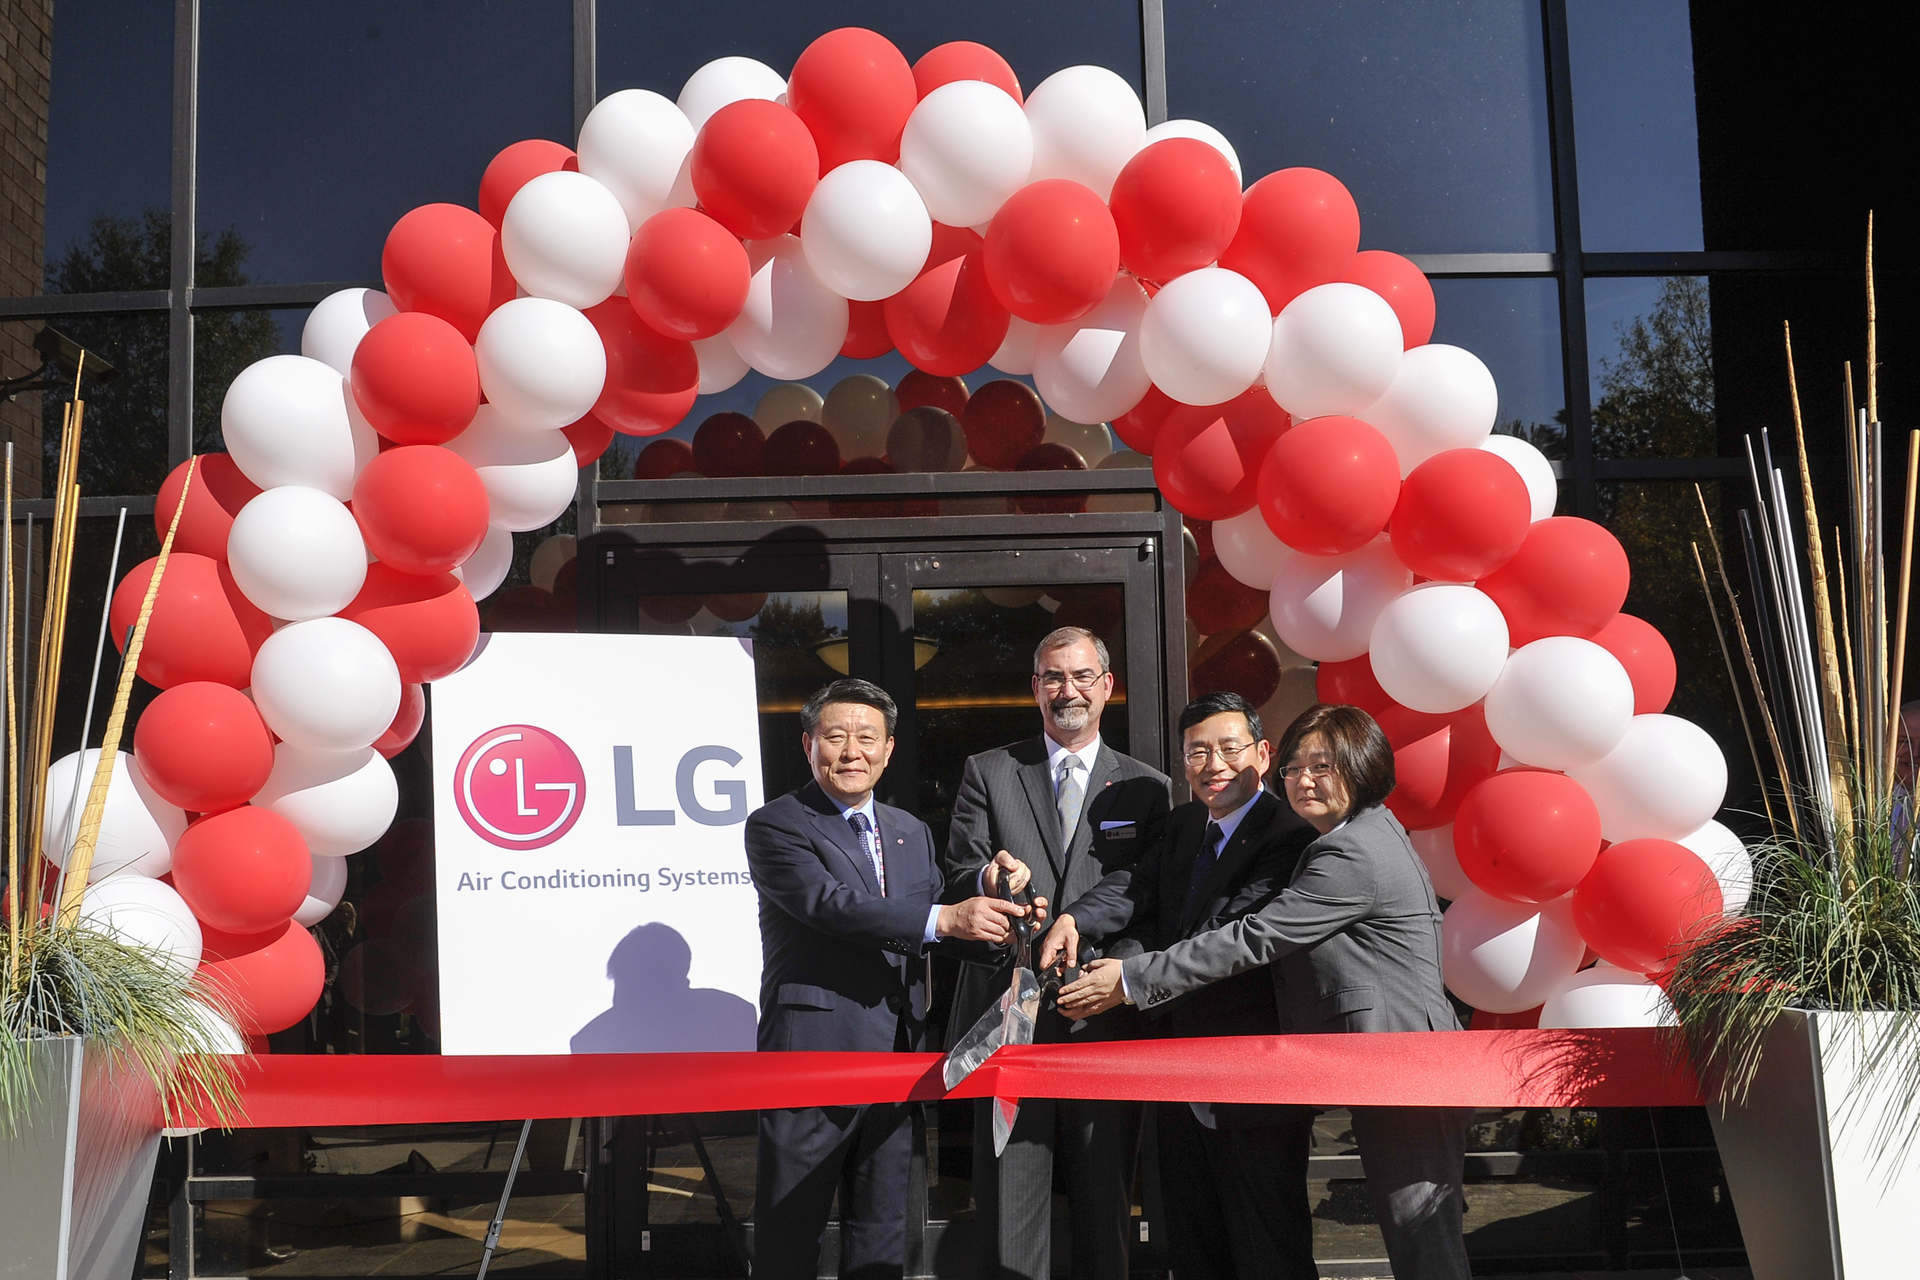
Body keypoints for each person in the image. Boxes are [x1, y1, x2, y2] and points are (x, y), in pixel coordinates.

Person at [1058, 702, 1472, 1280]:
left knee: (1423, 1244)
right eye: (1297, 768)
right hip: (1382, 1062)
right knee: (1418, 1239)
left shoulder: (1346, 850)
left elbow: (1255, 937)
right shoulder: (1352, 834)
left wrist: (1129, 979)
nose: (1303, 780)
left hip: (1400, 1065)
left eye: (1322, 766)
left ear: (1363, 767)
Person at [746, 677, 1043, 1280]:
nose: (851, 751)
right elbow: (832, 906)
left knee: (885, 1235)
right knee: (790, 1233)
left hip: (900, 1061)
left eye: (867, 738)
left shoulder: (911, 831)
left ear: (889, 750)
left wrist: (1002, 919)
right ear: (808, 745)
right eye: (835, 736)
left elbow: (933, 929)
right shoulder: (776, 824)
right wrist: (948, 917)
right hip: (812, 1062)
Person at [1042, 691, 1320, 1280]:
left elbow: (1230, 939)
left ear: (1262, 754)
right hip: (1179, 1070)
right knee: (1194, 1246)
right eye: (1197, 751)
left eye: (1228, 748)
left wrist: (1129, 982)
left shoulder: (1290, 836)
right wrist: (1074, 918)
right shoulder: (1186, 822)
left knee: (1269, 1247)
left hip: (1253, 1076)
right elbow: (1136, 887)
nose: (1213, 764)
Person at [943, 625, 1171, 1280]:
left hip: (1101, 1019)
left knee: (1105, 1210)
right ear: (1034, 688)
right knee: (1011, 1208)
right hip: (1008, 1025)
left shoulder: (1147, 787)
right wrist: (990, 878)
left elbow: (1146, 893)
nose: (1065, 690)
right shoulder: (988, 770)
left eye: (1079, 677)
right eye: (1051, 677)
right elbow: (961, 869)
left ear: (1107, 687)